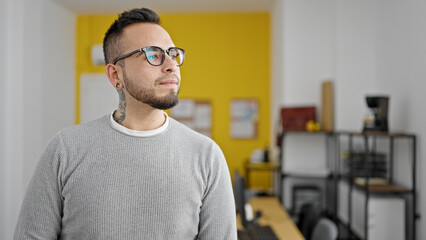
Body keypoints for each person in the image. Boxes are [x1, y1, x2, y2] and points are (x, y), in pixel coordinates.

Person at [14, 7, 237, 240]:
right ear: (115, 75)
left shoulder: (207, 156)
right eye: (153, 54)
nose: (171, 65)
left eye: (172, 53)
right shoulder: (65, 149)